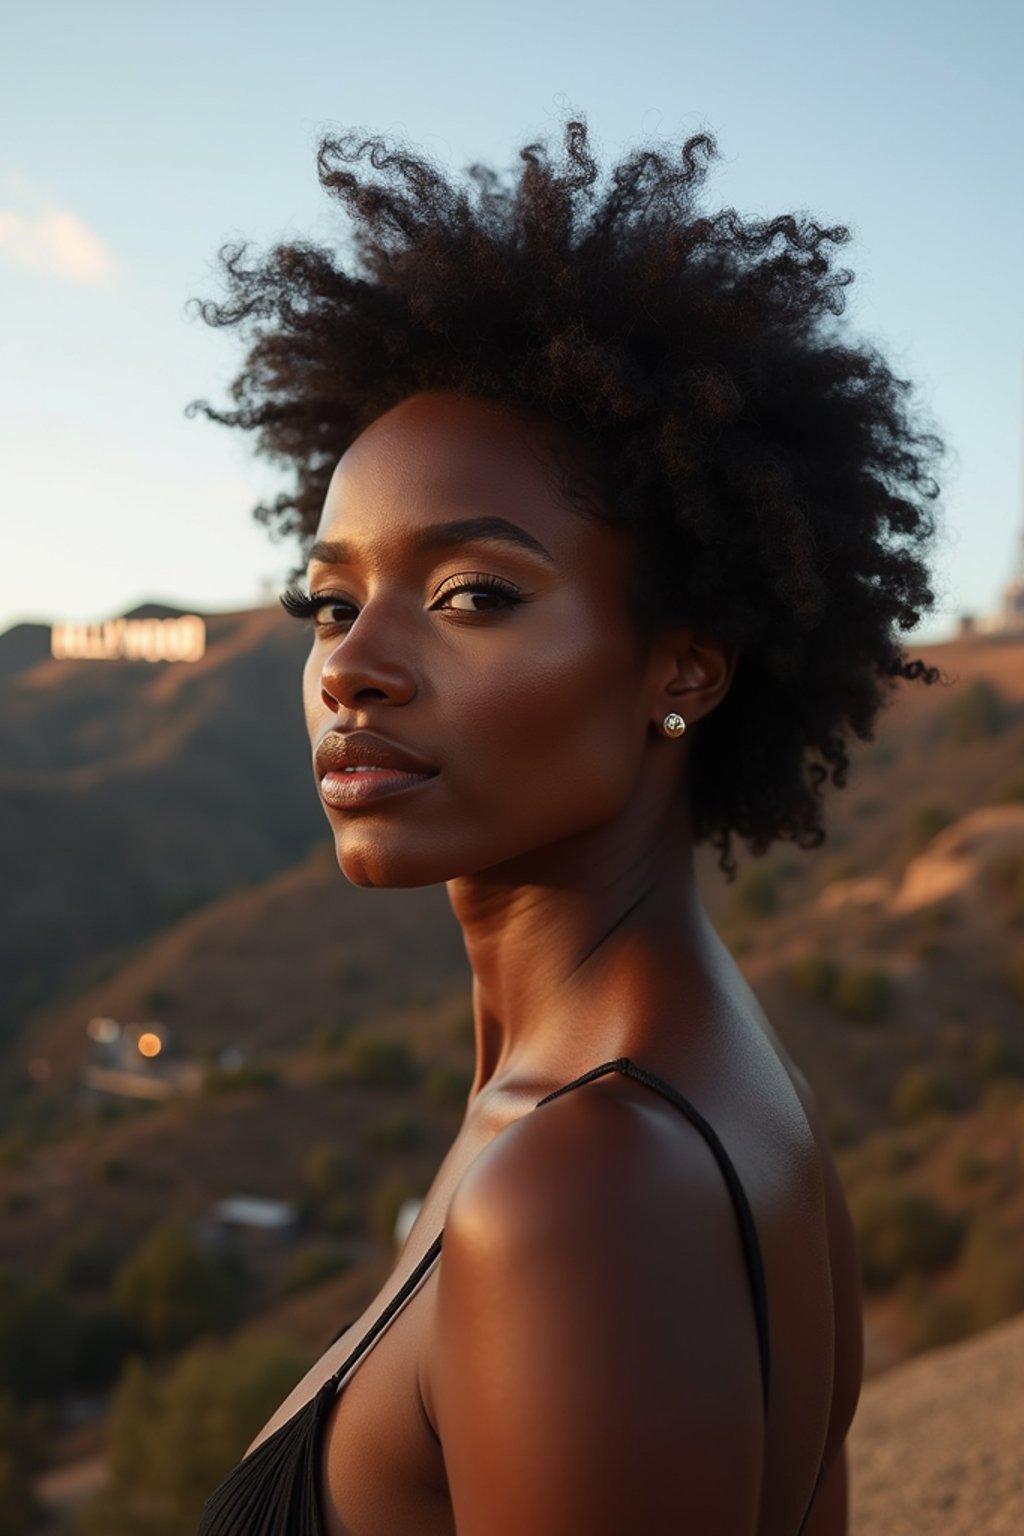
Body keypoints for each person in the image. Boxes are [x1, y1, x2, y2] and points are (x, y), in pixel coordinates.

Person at [190, 115, 944, 1535]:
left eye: (474, 593)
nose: (352, 663)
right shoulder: (664, 1087)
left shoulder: (591, 1189)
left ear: (684, 666)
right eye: (333, 601)